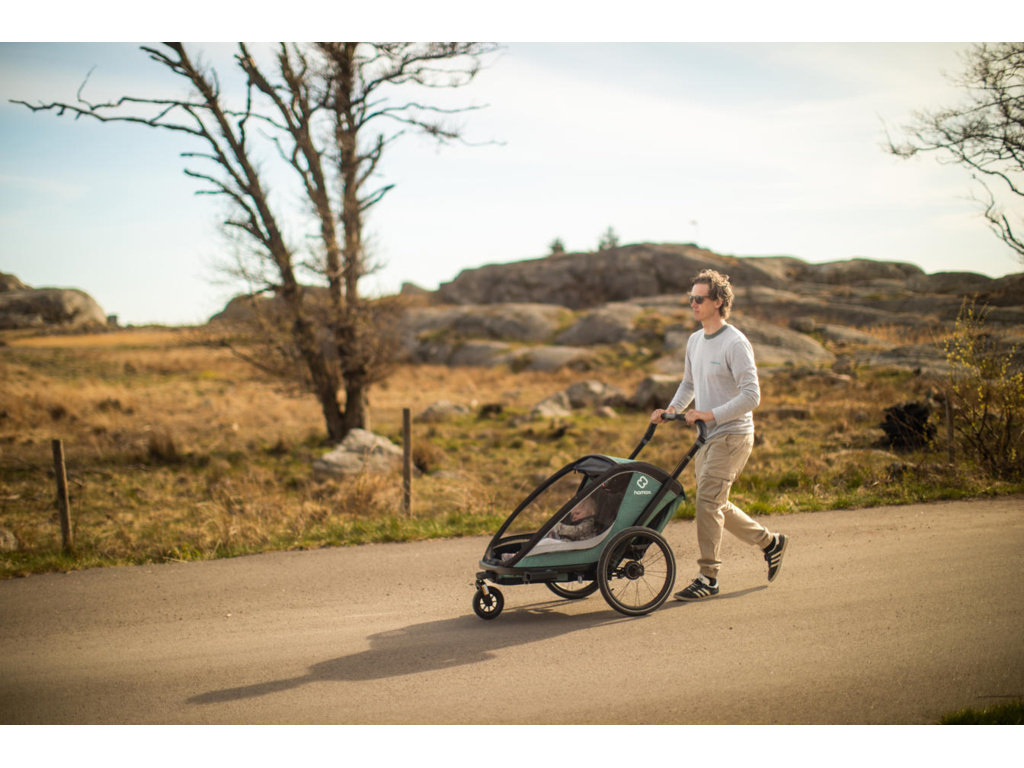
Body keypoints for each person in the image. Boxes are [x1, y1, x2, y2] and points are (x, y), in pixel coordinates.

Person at [651, 269, 787, 601]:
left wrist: (709, 414)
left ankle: (708, 577)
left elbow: (752, 396)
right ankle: (770, 543)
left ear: (718, 302)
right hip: (707, 436)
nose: (693, 304)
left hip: (733, 435)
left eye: (699, 298)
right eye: (691, 298)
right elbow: (689, 383)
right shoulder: (695, 341)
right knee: (716, 503)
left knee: (707, 502)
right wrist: (671, 410)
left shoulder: (735, 342)